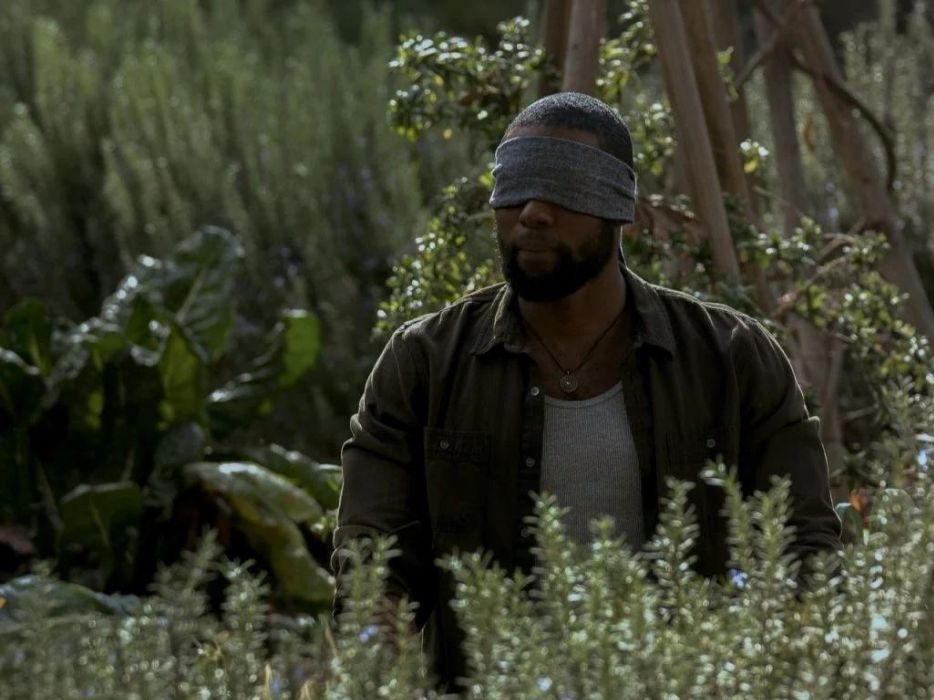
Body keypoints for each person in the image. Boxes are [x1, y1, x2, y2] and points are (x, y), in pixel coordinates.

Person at [332, 91, 841, 693]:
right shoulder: (425, 363)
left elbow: (805, 548)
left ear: (618, 204)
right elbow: (372, 563)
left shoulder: (730, 359)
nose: (533, 213)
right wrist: (378, 662)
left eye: (564, 188)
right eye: (515, 187)